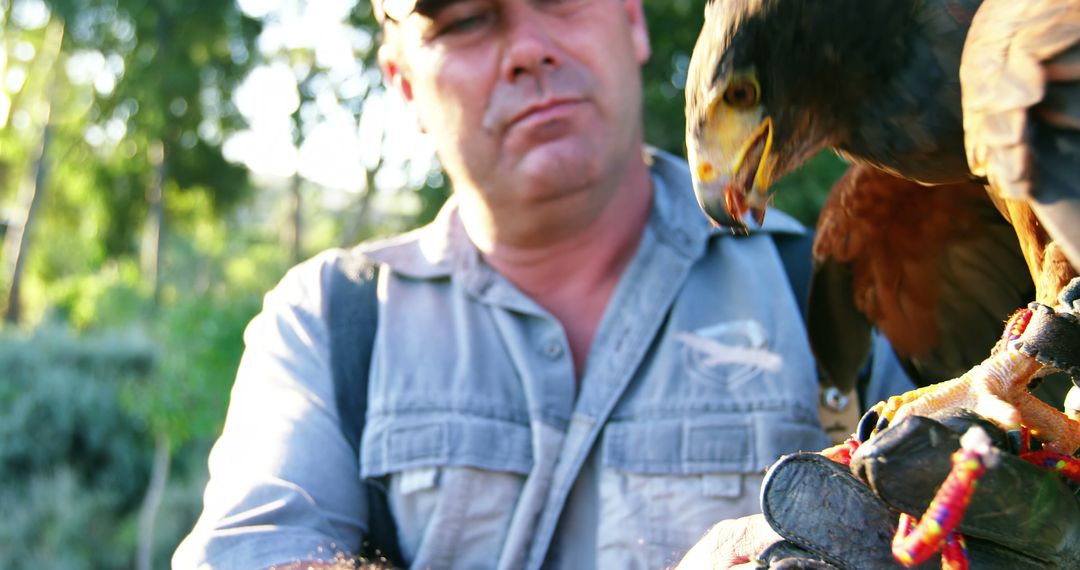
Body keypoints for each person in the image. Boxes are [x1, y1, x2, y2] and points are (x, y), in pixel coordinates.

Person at [173, 0, 914, 568]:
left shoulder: (845, 285)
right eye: (463, 20)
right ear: (400, 83)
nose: (528, 49)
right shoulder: (328, 320)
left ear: (632, 18)